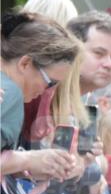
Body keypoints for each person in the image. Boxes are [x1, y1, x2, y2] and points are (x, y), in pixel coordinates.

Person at [1, 11, 80, 183]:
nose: (48, 91)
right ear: (25, 63)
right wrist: (27, 160)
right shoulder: (10, 93)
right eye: (51, 82)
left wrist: (26, 167)